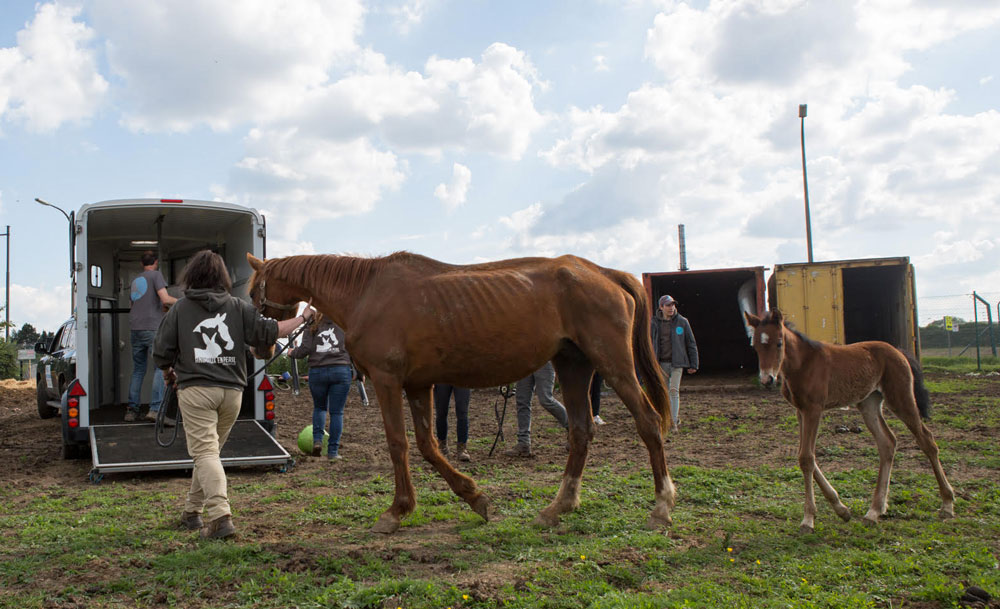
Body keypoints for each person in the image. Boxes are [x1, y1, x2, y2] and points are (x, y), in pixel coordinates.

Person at [153, 250, 310, 539]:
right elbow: (271, 332)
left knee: (205, 453)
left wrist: (168, 372)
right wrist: (304, 317)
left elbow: (161, 352)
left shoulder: (180, 308)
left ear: (191, 276)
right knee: (209, 454)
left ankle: (221, 517)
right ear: (222, 277)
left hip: (196, 392)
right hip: (232, 394)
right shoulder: (238, 307)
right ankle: (191, 512)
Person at [289, 311, 352, 461]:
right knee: (337, 413)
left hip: (317, 372)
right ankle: (333, 452)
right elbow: (354, 346)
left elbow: (304, 350)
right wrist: (359, 370)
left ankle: (317, 440)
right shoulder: (344, 319)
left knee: (320, 407)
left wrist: (292, 352)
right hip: (340, 370)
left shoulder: (312, 322)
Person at [127, 251, 177, 422]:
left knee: (138, 370)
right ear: (156, 262)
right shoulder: (155, 275)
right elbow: (165, 299)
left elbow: (133, 304)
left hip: (135, 329)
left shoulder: (135, 281)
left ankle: (131, 410)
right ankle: (155, 409)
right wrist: (183, 302)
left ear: (142, 264)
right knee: (159, 367)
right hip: (151, 327)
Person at [650, 294, 698, 432]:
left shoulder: (682, 322)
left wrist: (693, 363)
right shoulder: (654, 323)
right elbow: (649, 343)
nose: (671, 308)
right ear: (661, 307)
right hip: (661, 363)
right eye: (668, 305)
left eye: (673, 305)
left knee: (673, 390)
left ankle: (673, 422)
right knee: (663, 392)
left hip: (677, 363)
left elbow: (691, 343)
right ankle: (665, 419)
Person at [504, 361, 569, 457]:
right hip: (524, 361)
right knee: (522, 401)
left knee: (546, 399)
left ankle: (573, 428)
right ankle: (523, 443)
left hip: (544, 359)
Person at [433, 384, 472, 461]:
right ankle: (442, 444)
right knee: (441, 412)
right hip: (442, 377)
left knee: (462, 412)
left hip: (462, 376)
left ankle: (462, 447)